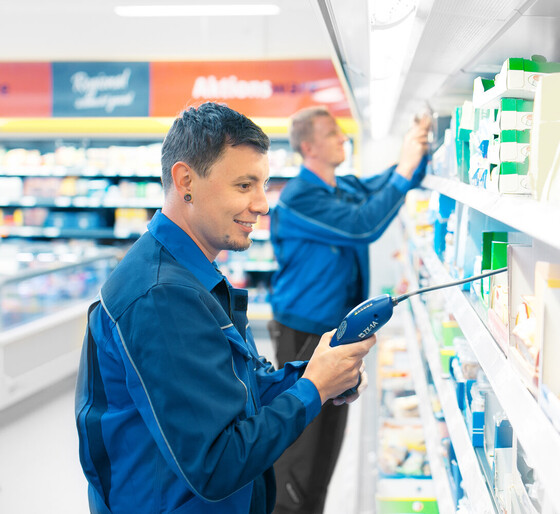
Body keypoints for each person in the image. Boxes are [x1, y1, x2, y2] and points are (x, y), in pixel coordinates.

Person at [74, 102, 375, 514]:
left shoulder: (194, 276)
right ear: (186, 182)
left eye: (263, 185)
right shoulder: (162, 296)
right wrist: (314, 388)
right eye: (244, 185)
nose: (263, 204)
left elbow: (237, 392)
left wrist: (317, 370)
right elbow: (215, 465)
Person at [268, 106, 431, 513]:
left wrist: (416, 152)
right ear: (308, 146)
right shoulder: (300, 197)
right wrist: (404, 167)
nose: (342, 137)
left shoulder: (338, 188)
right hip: (304, 334)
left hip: (334, 333)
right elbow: (362, 224)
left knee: (326, 446)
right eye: (330, 133)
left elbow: (381, 185)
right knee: (302, 450)